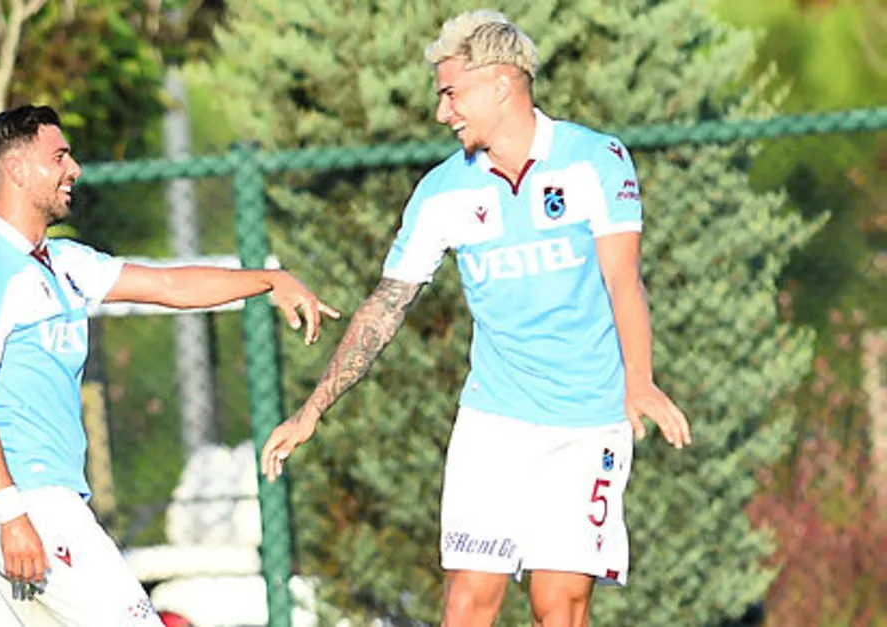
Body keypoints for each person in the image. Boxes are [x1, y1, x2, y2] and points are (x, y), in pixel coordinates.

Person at [259, 10, 692, 627]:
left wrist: (639, 381)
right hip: (494, 422)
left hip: (588, 424)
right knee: (467, 601)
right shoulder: (442, 191)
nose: (443, 113)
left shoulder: (596, 159)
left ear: (500, 83)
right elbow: (386, 306)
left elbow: (623, 278)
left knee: (558, 605)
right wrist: (313, 408)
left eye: (451, 93)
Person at [0, 104, 338, 626]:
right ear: (16, 170)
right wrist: (12, 514)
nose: (74, 168)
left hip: (29, 503)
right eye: (58, 156)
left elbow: (168, 285)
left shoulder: (61, 262)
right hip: (26, 504)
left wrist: (267, 281)